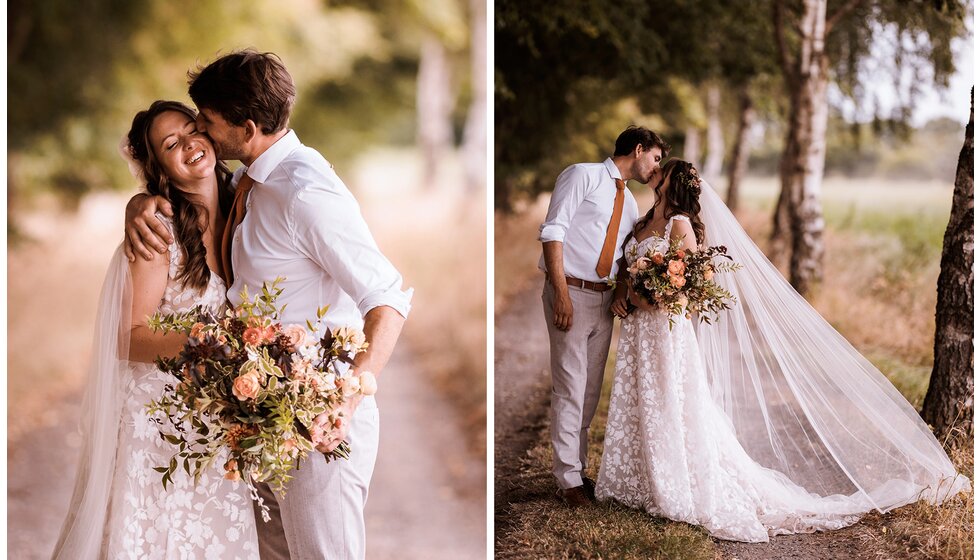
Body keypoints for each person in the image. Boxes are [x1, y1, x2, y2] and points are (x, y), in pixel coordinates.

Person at [123, 51, 412, 559]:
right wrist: (142, 200)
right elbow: (188, 196)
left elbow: (386, 296)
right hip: (263, 423)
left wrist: (346, 397)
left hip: (318, 425)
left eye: (206, 124)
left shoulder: (303, 191)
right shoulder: (248, 181)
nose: (202, 137)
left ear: (248, 126)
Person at [596, 159, 971, 542]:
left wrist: (648, 300)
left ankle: (673, 484)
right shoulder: (643, 223)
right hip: (638, 333)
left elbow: (685, 288)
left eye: (662, 168)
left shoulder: (680, 225)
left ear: (672, 182)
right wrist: (625, 293)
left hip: (666, 331)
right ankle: (637, 479)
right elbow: (628, 269)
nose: (654, 171)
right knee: (643, 400)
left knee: (670, 403)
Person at [52, 101, 260, 559]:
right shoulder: (156, 233)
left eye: (192, 130)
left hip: (215, 420)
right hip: (158, 424)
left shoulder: (246, 208)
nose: (189, 145)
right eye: (171, 144)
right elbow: (127, 335)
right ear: (159, 168)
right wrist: (206, 345)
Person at [538, 126, 669, 507]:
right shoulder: (582, 175)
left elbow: (623, 256)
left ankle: (576, 470)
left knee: (590, 389)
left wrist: (624, 292)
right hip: (571, 292)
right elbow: (553, 231)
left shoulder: (628, 203)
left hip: (603, 299)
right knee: (569, 385)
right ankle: (567, 480)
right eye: (656, 158)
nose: (656, 168)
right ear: (639, 149)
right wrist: (560, 292)